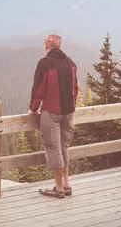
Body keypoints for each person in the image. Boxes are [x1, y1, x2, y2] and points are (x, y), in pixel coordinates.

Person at [28, 33, 78, 199]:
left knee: (52, 148)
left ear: (46, 46)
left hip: (51, 112)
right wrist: (72, 105)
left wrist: (33, 109)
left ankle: (58, 188)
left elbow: (38, 90)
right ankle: (65, 184)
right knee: (64, 147)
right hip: (68, 113)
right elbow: (75, 89)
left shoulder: (45, 64)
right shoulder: (71, 63)